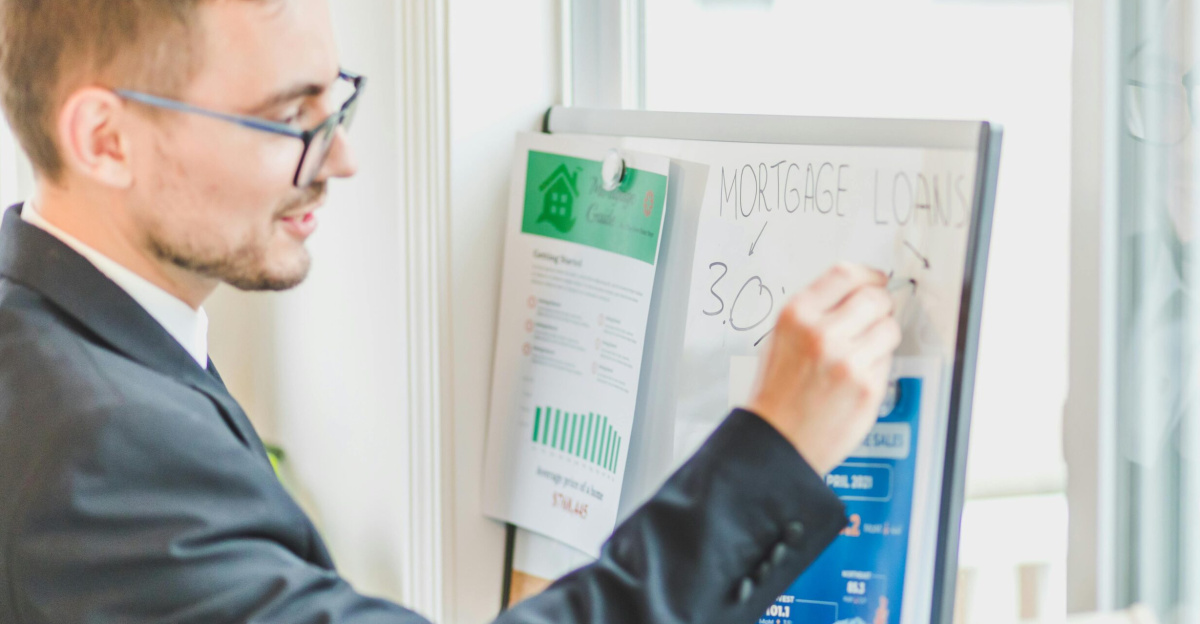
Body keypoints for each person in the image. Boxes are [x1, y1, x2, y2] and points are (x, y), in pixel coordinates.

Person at [0, 0, 901, 622]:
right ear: (105, 140)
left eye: (337, 97)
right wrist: (773, 448)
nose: (341, 158)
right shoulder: (102, 445)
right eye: (291, 118)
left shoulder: (56, 328)